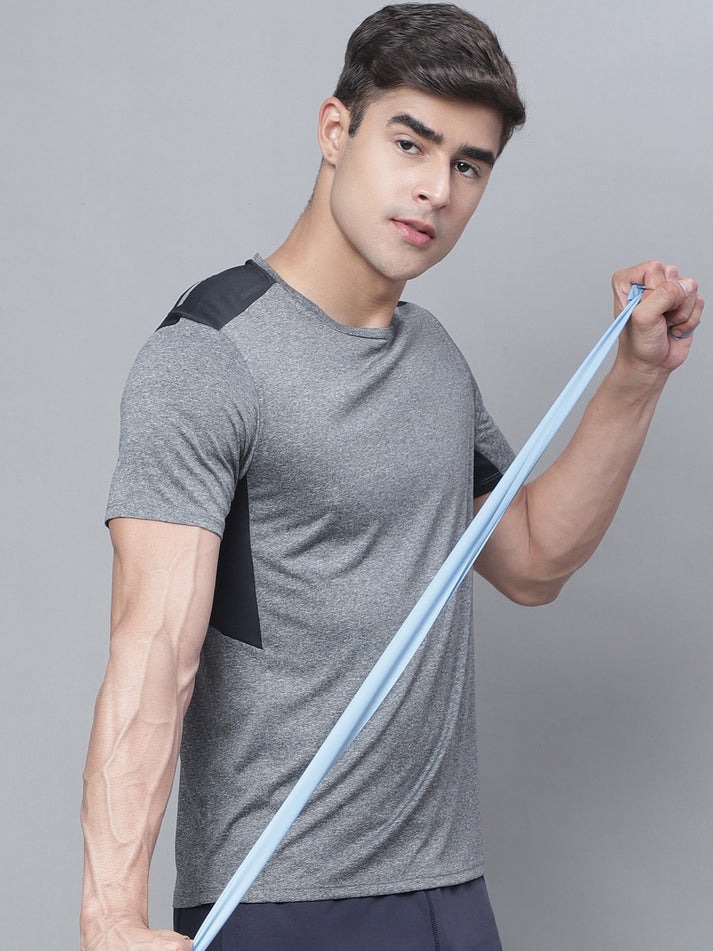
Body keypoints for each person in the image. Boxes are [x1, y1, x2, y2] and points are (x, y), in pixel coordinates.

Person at [79, 4, 703, 950]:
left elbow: (532, 558)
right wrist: (110, 916)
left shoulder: (433, 358)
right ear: (336, 131)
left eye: (468, 165)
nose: (434, 190)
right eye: (409, 144)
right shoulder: (209, 353)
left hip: (448, 893)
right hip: (281, 900)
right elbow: (153, 650)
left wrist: (634, 378)